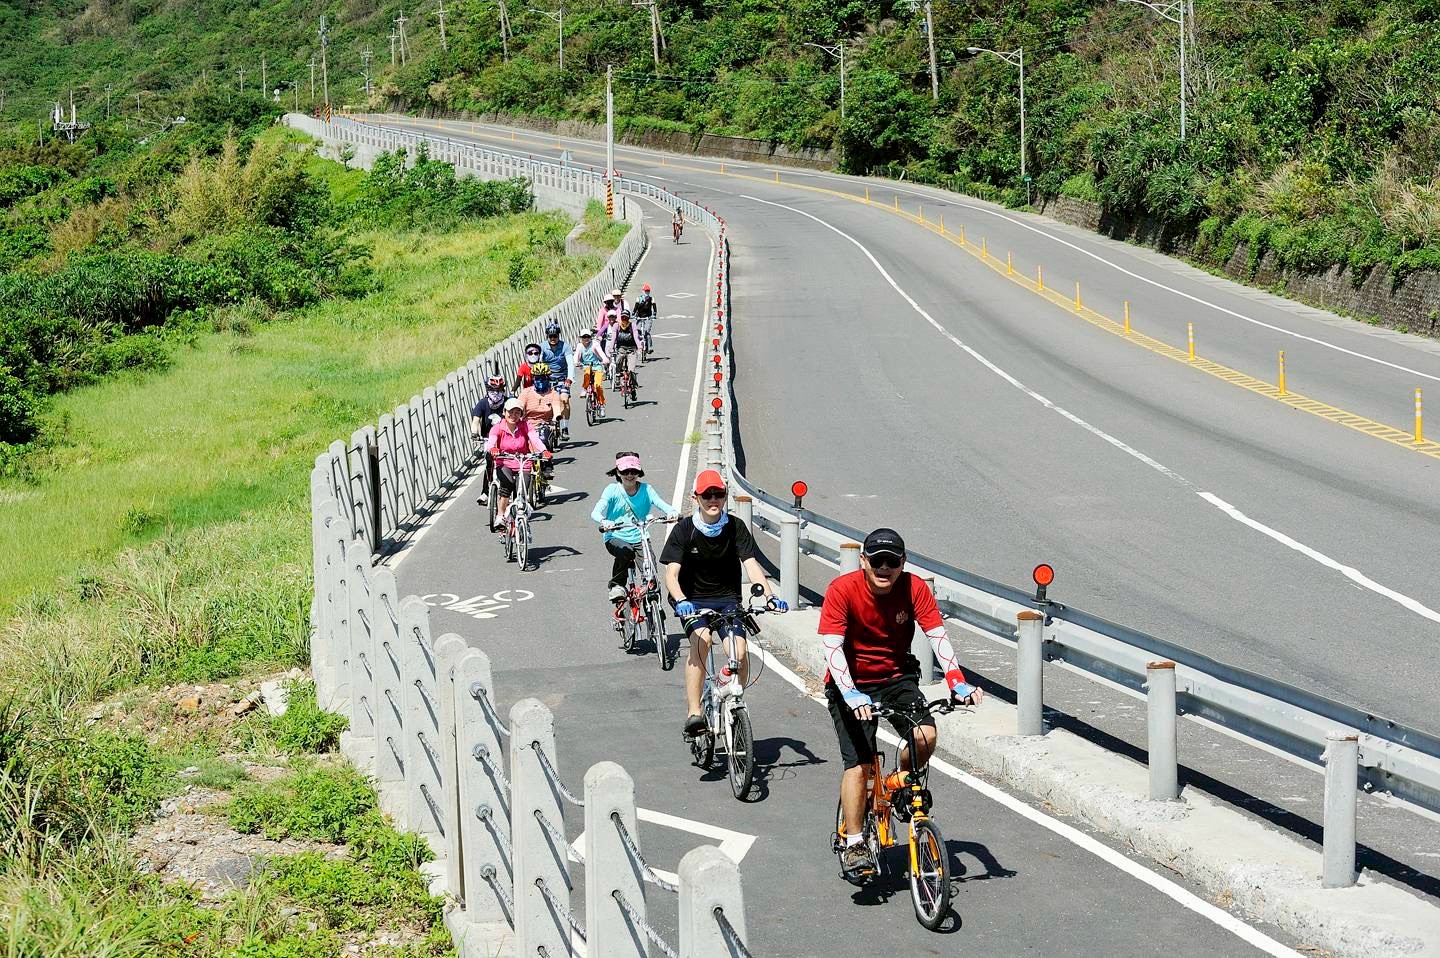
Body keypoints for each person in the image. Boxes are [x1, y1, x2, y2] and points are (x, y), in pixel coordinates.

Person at [819, 527, 983, 884]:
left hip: (896, 679)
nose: (884, 568)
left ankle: (901, 781)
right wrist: (849, 693)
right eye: (876, 560)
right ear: (863, 561)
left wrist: (956, 679)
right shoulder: (842, 590)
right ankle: (854, 841)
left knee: (925, 736)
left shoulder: (914, 588)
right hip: (851, 684)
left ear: (902, 563)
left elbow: (936, 634)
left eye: (891, 562)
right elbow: (832, 647)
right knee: (859, 766)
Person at [661, 469, 786, 737]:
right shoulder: (684, 530)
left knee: (739, 653)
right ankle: (694, 712)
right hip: (691, 601)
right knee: (702, 640)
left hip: (728, 599)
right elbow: (671, 575)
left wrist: (770, 596)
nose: (713, 499)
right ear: (696, 498)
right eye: (707, 495)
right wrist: (681, 600)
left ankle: (734, 700)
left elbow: (751, 565)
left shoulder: (735, 526)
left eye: (719, 493)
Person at [591, 452, 677, 602]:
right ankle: (617, 585)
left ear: (639, 472)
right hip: (615, 536)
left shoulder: (647, 489)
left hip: (640, 536)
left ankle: (656, 612)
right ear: (618, 472)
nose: (629, 475)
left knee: (651, 572)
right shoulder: (612, 490)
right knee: (626, 552)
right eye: (625, 471)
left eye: (634, 471)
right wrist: (604, 521)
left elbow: (661, 504)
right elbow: (596, 512)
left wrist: (672, 512)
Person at [483, 399, 550, 531]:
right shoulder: (497, 428)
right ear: (504, 412)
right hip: (504, 462)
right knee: (506, 485)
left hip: (522, 462)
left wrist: (544, 450)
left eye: (517, 413)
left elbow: (535, 440)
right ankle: (501, 515)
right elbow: (491, 442)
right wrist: (493, 450)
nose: (513, 416)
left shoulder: (525, 425)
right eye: (510, 412)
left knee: (523, 489)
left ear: (521, 414)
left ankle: (520, 515)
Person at [469, 373, 509, 506]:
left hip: (506, 441)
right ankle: (485, 492)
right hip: (488, 440)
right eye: (492, 390)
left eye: (499, 390)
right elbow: (475, 420)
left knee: (510, 465)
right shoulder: (483, 403)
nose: (496, 393)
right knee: (489, 462)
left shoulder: (508, 403)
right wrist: (474, 432)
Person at [539, 322, 573, 441]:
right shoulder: (542, 347)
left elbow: (570, 363)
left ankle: (565, 428)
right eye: (550, 336)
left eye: (555, 336)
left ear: (559, 335)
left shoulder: (565, 347)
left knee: (564, 399)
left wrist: (569, 378)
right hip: (547, 379)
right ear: (547, 336)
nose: (553, 339)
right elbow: (537, 361)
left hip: (562, 378)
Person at [572, 328, 610, 418]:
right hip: (586, 366)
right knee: (587, 373)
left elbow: (601, 354)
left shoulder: (595, 344)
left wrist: (605, 360)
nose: (586, 339)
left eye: (587, 337)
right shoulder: (579, 346)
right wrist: (576, 362)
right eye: (584, 337)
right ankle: (585, 389)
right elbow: (576, 356)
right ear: (580, 338)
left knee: (598, 386)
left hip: (597, 366)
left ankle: (601, 405)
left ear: (590, 337)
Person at [604, 310, 641, 394]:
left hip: (632, 349)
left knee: (631, 370)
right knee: (618, 360)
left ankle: (633, 387)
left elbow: (636, 337)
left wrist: (639, 347)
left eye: (626, 317)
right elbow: (613, 338)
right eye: (623, 317)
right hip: (621, 348)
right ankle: (617, 375)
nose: (624, 319)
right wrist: (611, 348)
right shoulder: (617, 326)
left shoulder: (632, 325)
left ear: (628, 318)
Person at [632, 284, 656, 355]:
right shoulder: (639, 298)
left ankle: (649, 347)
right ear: (643, 291)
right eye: (646, 291)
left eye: (648, 291)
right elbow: (635, 307)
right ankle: (637, 346)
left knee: (646, 332)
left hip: (648, 317)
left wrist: (654, 314)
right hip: (639, 317)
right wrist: (633, 314)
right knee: (637, 331)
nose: (647, 292)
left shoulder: (652, 299)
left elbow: (654, 308)